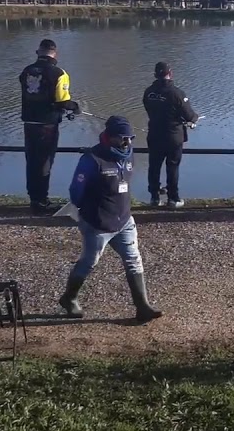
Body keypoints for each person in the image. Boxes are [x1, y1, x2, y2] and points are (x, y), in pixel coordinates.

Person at [57, 116, 162, 323]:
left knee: (133, 259)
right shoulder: (92, 159)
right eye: (123, 138)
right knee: (89, 261)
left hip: (124, 220)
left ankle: (143, 307)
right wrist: (85, 212)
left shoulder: (129, 156)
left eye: (131, 138)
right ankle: (69, 299)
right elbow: (75, 192)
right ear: (110, 137)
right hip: (97, 223)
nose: (128, 142)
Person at [19, 39, 80, 215]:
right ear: (55, 53)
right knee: (45, 161)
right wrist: (75, 107)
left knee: (31, 161)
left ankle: (34, 198)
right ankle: (42, 201)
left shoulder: (27, 71)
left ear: (38, 52)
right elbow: (62, 100)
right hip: (47, 124)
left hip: (29, 123)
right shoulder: (59, 73)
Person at [142, 62, 199, 208]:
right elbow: (189, 115)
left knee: (154, 167)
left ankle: (154, 198)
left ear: (155, 75)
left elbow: (149, 110)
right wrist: (193, 119)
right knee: (172, 167)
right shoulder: (177, 93)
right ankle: (173, 199)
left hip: (154, 135)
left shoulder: (148, 92)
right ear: (170, 73)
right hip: (173, 137)